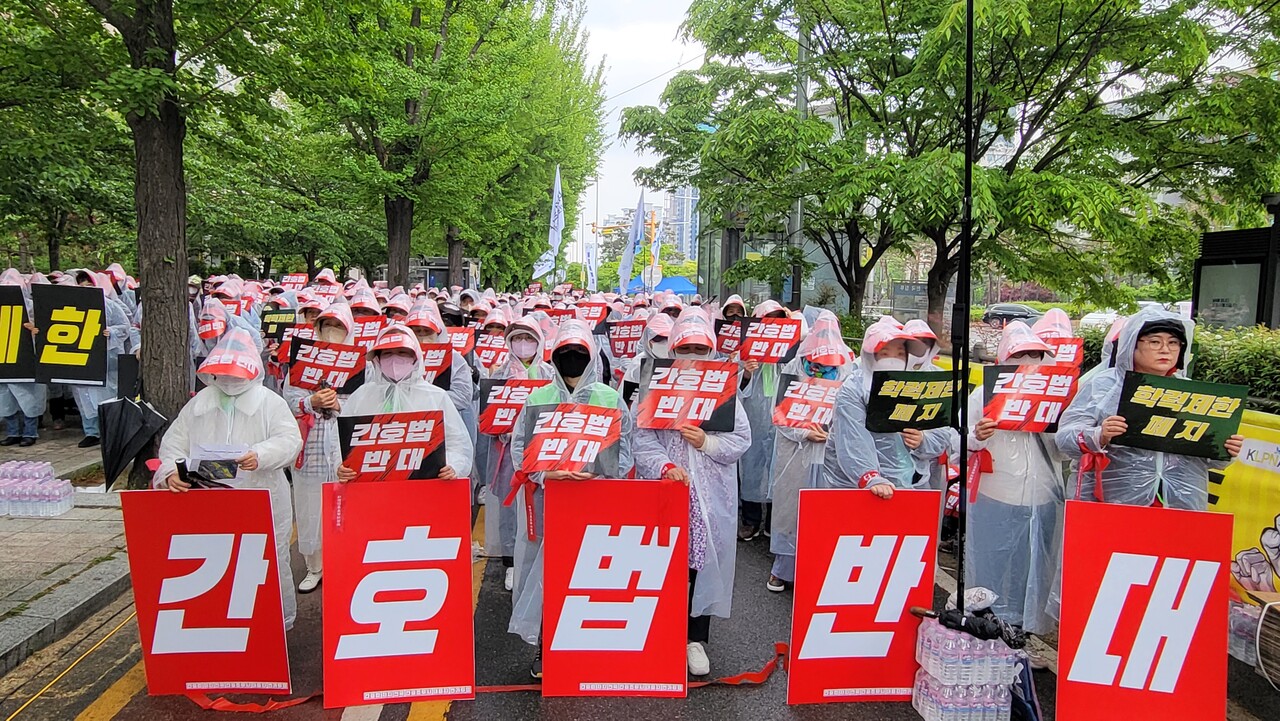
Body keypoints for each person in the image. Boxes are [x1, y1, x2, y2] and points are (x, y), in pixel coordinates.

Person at [508, 319, 632, 679]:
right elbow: (521, 448)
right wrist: (546, 475)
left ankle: (587, 644)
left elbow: (625, 449)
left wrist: (603, 476)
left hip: (596, 501)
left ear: (592, 357)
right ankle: (546, 649)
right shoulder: (539, 397)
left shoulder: (609, 398)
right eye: (565, 353)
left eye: (579, 353)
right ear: (555, 356)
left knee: (590, 575)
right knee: (545, 575)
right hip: (550, 500)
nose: (572, 359)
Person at [158, 328, 304, 629]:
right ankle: (221, 625)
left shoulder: (268, 402)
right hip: (210, 501)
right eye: (222, 373)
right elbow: (173, 443)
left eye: (234, 373)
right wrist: (170, 471)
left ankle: (275, 622)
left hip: (261, 497)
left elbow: (290, 439)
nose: (228, 379)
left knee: (268, 561)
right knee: (216, 559)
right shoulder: (199, 404)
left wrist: (261, 454)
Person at [633, 308, 751, 677]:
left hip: (710, 496)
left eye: (702, 349)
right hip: (667, 489)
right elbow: (642, 437)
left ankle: (695, 638)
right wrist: (663, 466)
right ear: (673, 348)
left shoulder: (724, 387)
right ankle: (659, 631)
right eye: (687, 348)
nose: (694, 357)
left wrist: (707, 443)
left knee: (703, 563)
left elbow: (741, 438)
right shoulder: (656, 384)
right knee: (663, 563)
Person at [1056, 307, 1243, 509]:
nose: (1165, 349)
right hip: (1113, 504)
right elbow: (1064, 439)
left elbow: (1211, 460)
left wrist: (1226, 449)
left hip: (1180, 505)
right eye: (1155, 342)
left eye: (1173, 343)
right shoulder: (1104, 386)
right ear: (1132, 346)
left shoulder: (1193, 393)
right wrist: (1099, 435)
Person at [966, 321, 1064, 641]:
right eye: (1021, 355)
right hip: (997, 494)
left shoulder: (1056, 398)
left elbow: (1064, 450)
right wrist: (977, 437)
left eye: (1036, 355)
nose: (1029, 363)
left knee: (1034, 568)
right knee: (991, 564)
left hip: (1042, 495)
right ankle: (986, 628)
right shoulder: (983, 395)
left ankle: (1025, 632)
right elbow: (959, 441)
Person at [767, 311, 850, 592]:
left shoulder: (847, 367)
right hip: (795, 453)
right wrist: (803, 432)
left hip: (831, 452)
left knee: (827, 511)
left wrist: (833, 436)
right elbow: (778, 411)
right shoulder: (794, 366)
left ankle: (821, 570)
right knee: (792, 508)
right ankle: (784, 569)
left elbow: (853, 412)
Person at [282, 303, 355, 593]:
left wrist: (340, 405)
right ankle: (315, 566)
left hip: (341, 444)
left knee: (344, 507)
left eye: (338, 327)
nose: (332, 333)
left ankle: (344, 562)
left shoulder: (358, 364)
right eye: (327, 327)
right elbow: (287, 398)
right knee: (310, 507)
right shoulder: (302, 360)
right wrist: (309, 403)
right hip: (310, 446)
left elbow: (366, 401)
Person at [336, 325, 473, 480]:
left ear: (415, 357)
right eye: (387, 354)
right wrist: (340, 465)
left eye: (402, 352)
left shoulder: (435, 396)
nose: (395, 359)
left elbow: (458, 441)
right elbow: (339, 440)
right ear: (377, 359)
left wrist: (454, 465)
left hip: (424, 486)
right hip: (372, 487)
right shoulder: (361, 395)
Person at [481, 316, 555, 593]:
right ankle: (511, 561)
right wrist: (505, 431)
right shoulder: (499, 374)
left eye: (529, 339)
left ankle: (540, 555)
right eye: (517, 339)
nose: (523, 345)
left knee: (540, 502)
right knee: (510, 506)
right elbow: (488, 417)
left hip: (543, 451)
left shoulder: (549, 374)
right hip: (506, 453)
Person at [822, 321, 918, 495]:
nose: (893, 359)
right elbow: (853, 437)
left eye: (900, 354)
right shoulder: (854, 389)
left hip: (898, 478)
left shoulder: (909, 386)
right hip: (852, 482)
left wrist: (921, 439)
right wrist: (869, 476)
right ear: (870, 355)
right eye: (885, 353)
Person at [737, 300, 790, 540]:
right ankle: (751, 520)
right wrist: (746, 372)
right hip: (753, 420)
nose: (774, 325)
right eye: (769, 319)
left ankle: (772, 521)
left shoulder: (790, 354)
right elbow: (735, 390)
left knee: (778, 467)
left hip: (779, 420)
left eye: (779, 320)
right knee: (752, 468)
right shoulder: (743, 353)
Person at [69, 270, 133, 448]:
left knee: (106, 395)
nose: (85, 290)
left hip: (107, 357)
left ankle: (109, 432)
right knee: (83, 396)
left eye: (89, 286)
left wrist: (110, 332)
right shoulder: (73, 306)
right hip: (82, 357)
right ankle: (91, 432)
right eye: (81, 286)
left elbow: (124, 326)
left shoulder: (110, 305)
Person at [0, 270, 45, 446]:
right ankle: (13, 432)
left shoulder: (32, 306)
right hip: (4, 358)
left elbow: (46, 328)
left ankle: (30, 432)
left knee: (28, 398)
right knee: (5, 398)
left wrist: (35, 330)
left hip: (25, 358)